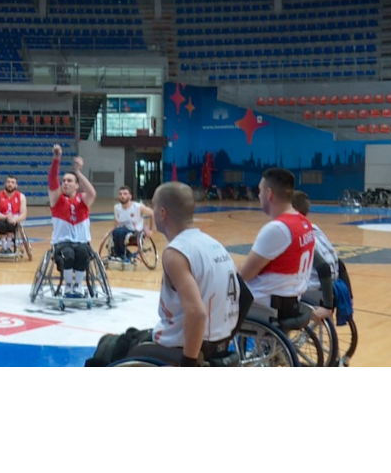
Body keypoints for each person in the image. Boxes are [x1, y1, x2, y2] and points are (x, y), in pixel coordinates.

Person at [88, 181, 244, 367]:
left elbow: (197, 313)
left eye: (154, 207)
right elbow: (244, 296)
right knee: (129, 336)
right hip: (220, 343)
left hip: (190, 347)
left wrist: (189, 362)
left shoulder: (176, 252)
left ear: (162, 213)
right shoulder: (214, 245)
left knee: (103, 353)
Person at [238, 168, 316, 322]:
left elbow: (244, 275)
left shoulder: (278, 228)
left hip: (266, 303)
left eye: (260, 191)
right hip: (291, 299)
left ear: (269, 193)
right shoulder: (305, 223)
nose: (258, 195)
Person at [47, 144, 96, 299]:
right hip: (62, 243)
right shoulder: (57, 199)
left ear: (77, 185)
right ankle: (68, 286)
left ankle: (78, 285)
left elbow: (92, 193)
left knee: (82, 253)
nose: (65, 183)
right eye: (64, 181)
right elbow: (52, 180)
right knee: (68, 254)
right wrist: (56, 159)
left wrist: (78, 172)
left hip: (82, 242)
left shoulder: (83, 199)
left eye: (69, 181)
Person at [291, 190, 337, 320]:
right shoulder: (315, 228)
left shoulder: (296, 233)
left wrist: (328, 306)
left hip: (315, 289)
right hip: (333, 285)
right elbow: (339, 263)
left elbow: (323, 267)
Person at [110, 185, 154, 264]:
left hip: (135, 232)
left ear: (130, 196)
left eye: (125, 194)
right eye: (120, 194)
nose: (122, 196)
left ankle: (122, 255)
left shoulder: (138, 207)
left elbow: (152, 213)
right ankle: (120, 254)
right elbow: (116, 222)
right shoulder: (117, 207)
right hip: (122, 231)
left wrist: (151, 230)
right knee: (116, 231)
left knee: (120, 232)